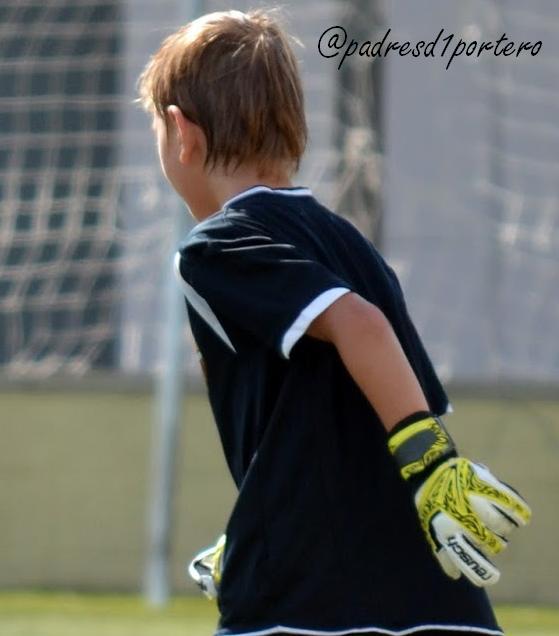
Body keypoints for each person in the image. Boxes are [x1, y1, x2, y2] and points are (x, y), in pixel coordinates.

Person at [137, 8, 531, 636]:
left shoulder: (211, 248)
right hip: (434, 602)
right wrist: (264, 517)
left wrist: (433, 463)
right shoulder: (351, 244)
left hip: (301, 605)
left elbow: (360, 328)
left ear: (182, 134)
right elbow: (367, 411)